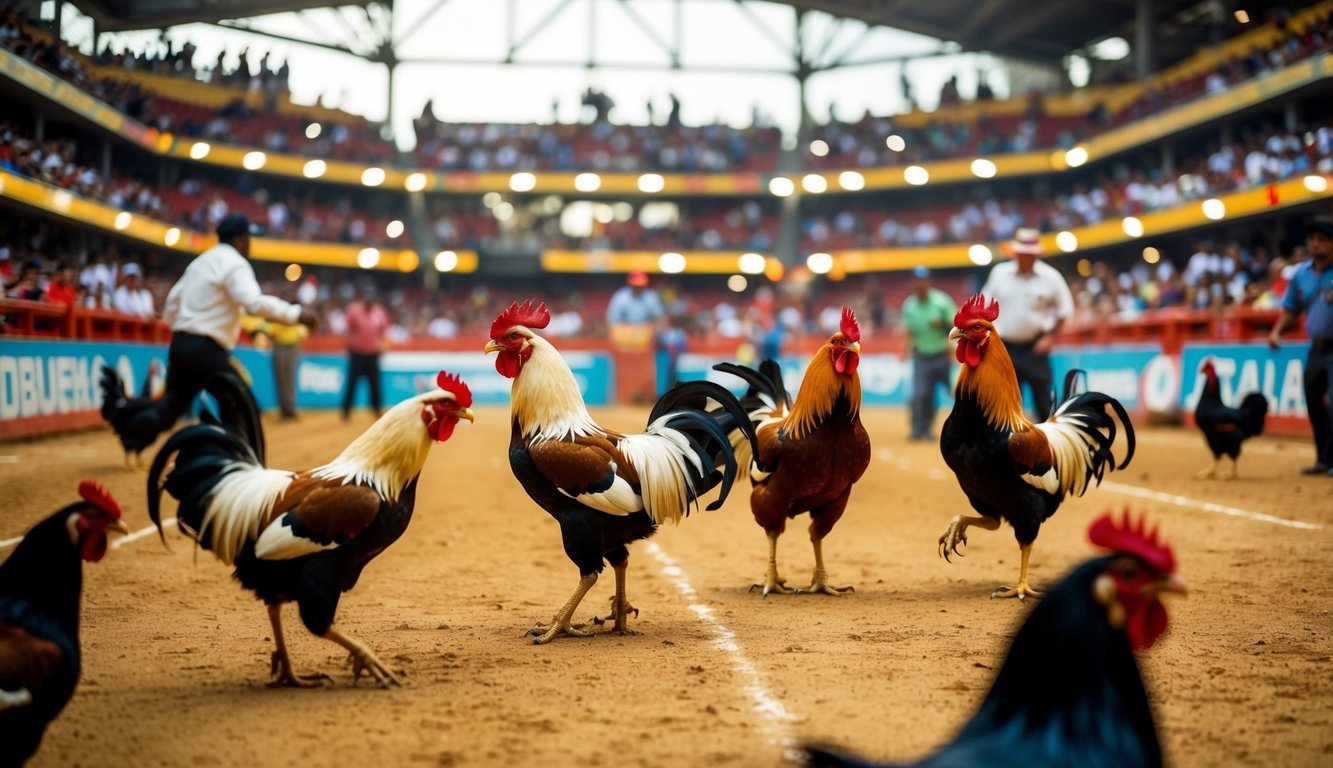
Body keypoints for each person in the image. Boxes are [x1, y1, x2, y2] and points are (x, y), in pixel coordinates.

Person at [111, 213, 318, 444]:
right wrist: (296, 313)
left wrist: (182, 328)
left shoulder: (200, 262)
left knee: (170, 408)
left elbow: (172, 303)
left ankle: (128, 428)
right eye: (249, 238)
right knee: (243, 405)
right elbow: (253, 303)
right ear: (240, 239)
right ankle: (245, 463)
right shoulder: (236, 263)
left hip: (181, 344)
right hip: (206, 349)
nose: (251, 243)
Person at [980, 227, 1074, 419]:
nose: (1025, 257)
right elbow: (984, 306)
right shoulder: (999, 274)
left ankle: (1047, 439)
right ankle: (1008, 441)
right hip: (1005, 348)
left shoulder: (1052, 278)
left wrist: (1049, 339)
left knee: (1043, 398)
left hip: (1036, 348)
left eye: (1029, 254)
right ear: (1015, 253)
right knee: (1005, 400)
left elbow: (1065, 311)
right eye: (1022, 253)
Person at [1268, 217, 1333, 476]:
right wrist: (1276, 331)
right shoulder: (1301, 275)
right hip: (1315, 349)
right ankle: (1323, 460)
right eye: (1312, 240)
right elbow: (1291, 308)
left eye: (1322, 240)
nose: (1316, 244)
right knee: (1314, 404)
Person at [902, 266, 957, 441]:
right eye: (917, 282)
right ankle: (920, 430)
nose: (920, 285)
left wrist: (942, 324)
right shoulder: (909, 306)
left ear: (928, 283)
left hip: (943, 354)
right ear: (913, 284)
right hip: (922, 355)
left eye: (923, 281)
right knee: (921, 394)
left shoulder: (942, 302)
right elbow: (910, 331)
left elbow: (957, 327)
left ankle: (968, 429)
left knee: (957, 391)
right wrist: (905, 351)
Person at [341, 293, 388, 420]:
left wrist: (382, 346)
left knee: (375, 384)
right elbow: (348, 329)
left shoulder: (379, 312)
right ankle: (346, 411)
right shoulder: (354, 312)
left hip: (373, 354)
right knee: (352, 383)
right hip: (357, 353)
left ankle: (377, 410)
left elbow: (383, 332)